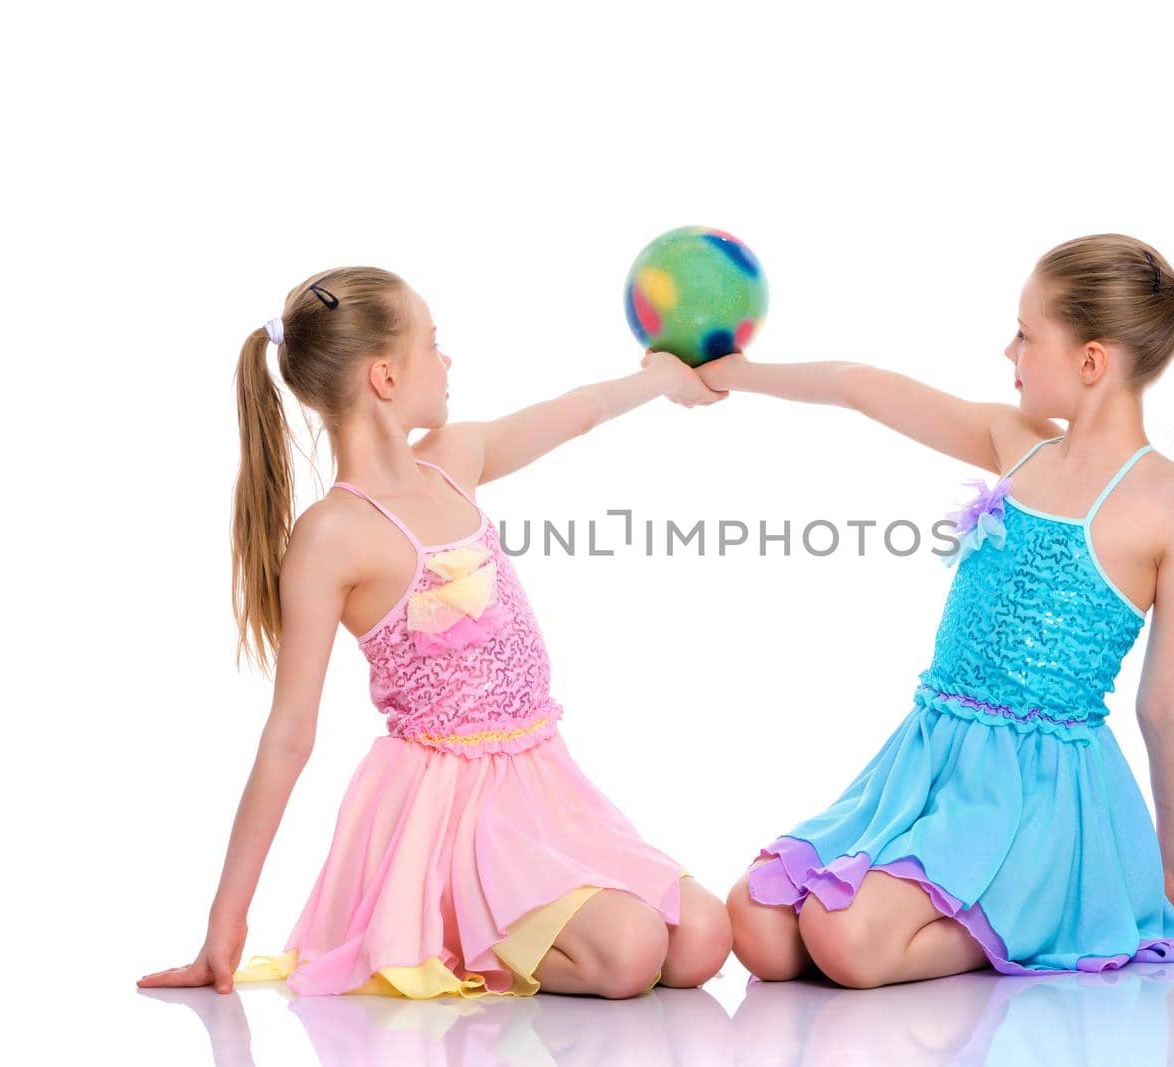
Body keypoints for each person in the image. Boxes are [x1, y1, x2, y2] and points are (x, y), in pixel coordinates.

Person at [137, 266, 733, 1000]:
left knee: (705, 934)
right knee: (630, 954)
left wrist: (665, 379)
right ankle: (448, 927)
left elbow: (574, 411)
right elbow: (289, 733)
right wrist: (224, 924)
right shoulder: (334, 535)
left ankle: (547, 919)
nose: (447, 360)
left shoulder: (453, 460)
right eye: (433, 343)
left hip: (543, 782)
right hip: (454, 814)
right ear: (385, 377)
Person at [699, 234, 1174, 988]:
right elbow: (860, 385)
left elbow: (1165, 705)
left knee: (847, 937)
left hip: (1038, 793)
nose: (1009, 350)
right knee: (758, 922)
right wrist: (733, 373)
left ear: (1091, 362)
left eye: (1027, 335)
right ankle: (942, 913)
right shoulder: (1016, 443)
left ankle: (1052, 912)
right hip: (931, 758)